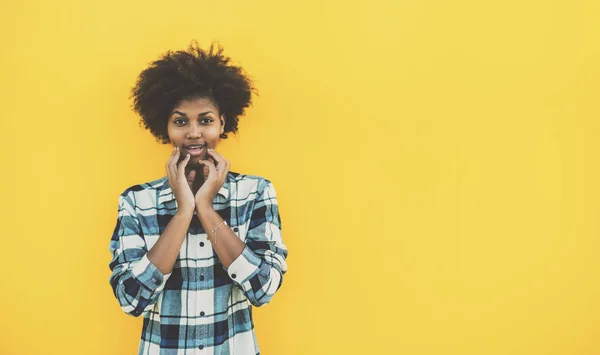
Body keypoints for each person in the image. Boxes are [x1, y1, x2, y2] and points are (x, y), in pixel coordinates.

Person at [108, 42, 288, 355]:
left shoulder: (256, 193)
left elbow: (264, 289)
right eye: (180, 121)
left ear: (223, 123)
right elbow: (131, 299)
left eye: (205, 120)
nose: (193, 132)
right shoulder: (137, 202)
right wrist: (183, 212)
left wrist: (205, 209)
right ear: (164, 126)